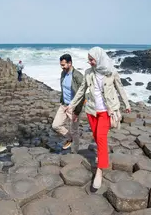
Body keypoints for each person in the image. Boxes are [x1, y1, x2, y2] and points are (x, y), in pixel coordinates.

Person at [66, 47, 131, 193]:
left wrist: (127, 104)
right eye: (89, 59)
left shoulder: (111, 72)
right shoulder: (88, 73)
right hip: (91, 111)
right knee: (96, 136)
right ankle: (102, 154)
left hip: (107, 111)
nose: (89, 62)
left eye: (92, 59)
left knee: (101, 137)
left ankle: (100, 171)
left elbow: (120, 88)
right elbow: (82, 90)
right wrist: (71, 105)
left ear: (99, 58)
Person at [52, 54, 84, 153]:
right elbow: (64, 89)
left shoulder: (78, 76)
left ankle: (75, 152)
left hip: (73, 107)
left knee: (74, 130)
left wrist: (77, 112)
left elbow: (82, 95)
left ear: (70, 63)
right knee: (56, 125)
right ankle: (70, 138)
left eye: (63, 65)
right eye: (61, 65)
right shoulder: (63, 73)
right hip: (64, 105)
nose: (62, 67)